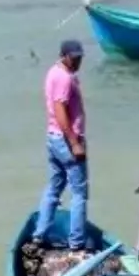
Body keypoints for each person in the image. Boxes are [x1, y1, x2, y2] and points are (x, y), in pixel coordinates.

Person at [31, 39, 88, 251]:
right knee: (79, 192)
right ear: (64, 56)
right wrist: (74, 142)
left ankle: (39, 234)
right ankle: (77, 243)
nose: (78, 61)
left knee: (54, 186)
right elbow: (59, 109)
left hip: (53, 137)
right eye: (74, 57)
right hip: (66, 140)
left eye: (80, 57)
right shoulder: (64, 78)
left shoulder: (53, 72)